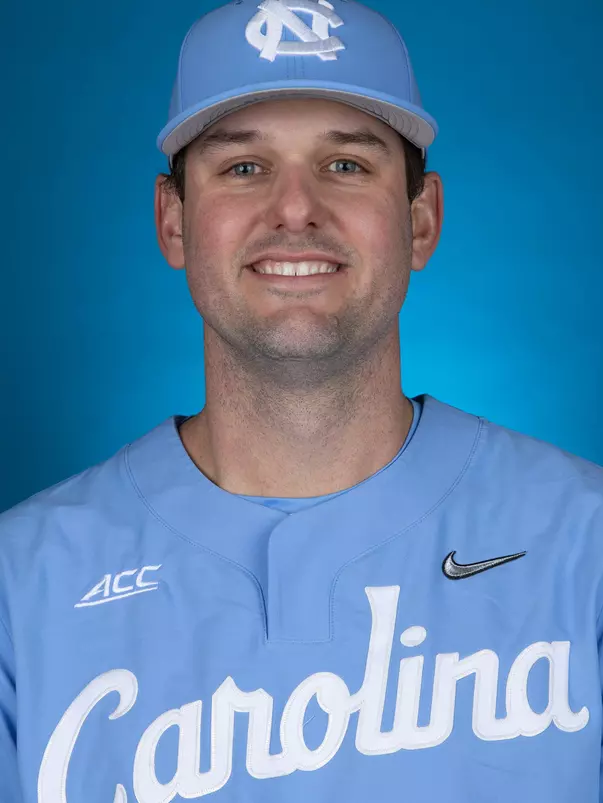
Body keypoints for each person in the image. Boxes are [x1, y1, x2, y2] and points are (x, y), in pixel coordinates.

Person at [1, 0, 602, 800]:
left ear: (420, 221)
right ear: (172, 222)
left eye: (345, 164)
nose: (293, 208)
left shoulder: (584, 547)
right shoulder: (21, 586)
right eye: (243, 168)